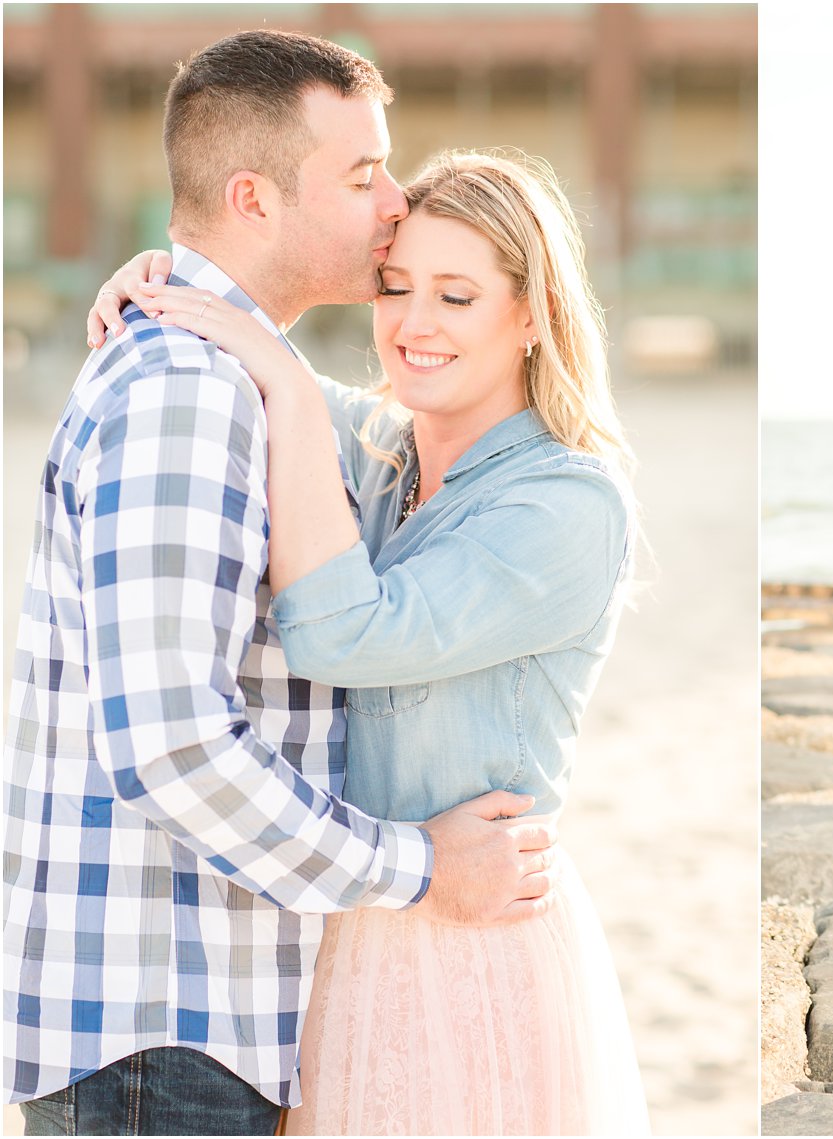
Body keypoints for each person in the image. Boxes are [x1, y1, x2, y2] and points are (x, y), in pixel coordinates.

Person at [4, 32, 555, 1137]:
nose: (392, 202)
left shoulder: (232, 375)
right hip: (162, 1028)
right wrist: (417, 867)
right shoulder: (186, 391)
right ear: (253, 197)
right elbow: (169, 741)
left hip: (197, 1019)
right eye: (362, 177)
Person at [95, 146, 648, 1134]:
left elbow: (342, 633)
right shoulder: (381, 452)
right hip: (346, 926)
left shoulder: (566, 501)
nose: (412, 324)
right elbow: (254, 359)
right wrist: (157, 275)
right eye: (394, 287)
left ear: (533, 314)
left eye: (456, 295)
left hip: (473, 940)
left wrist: (284, 380)